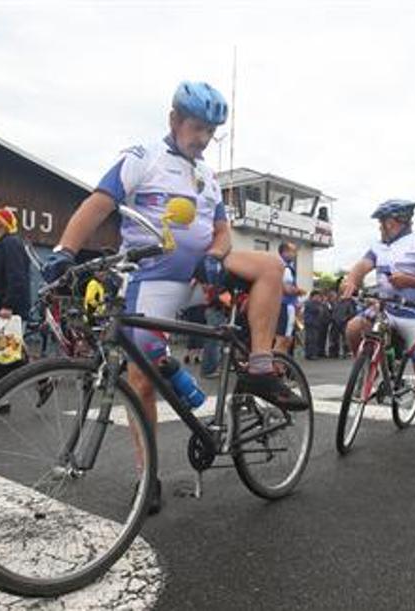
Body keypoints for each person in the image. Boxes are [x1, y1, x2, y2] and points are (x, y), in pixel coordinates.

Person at [40, 80, 308, 514]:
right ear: (174, 120)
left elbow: (221, 232)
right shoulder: (141, 158)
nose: (203, 138)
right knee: (141, 379)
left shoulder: (208, 177)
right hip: (153, 278)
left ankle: (260, 364)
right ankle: (149, 475)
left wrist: (217, 254)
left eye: (210, 131)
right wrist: (65, 251)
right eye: (197, 128)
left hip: (201, 273)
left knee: (271, 267)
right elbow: (98, 205)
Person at [341, 200, 415, 450]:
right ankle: (366, 370)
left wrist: (411, 280)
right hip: (385, 309)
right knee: (353, 328)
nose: (380, 226)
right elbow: (362, 266)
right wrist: (352, 280)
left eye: (383, 222)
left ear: (396, 222)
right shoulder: (378, 246)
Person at [0, 207, 32, 382]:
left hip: (10, 310)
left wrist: (8, 305)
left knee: (3, 354)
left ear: (0, 223)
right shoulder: (2, 244)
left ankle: (3, 395)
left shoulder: (10, 243)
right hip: (2, 309)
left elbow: (17, 277)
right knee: (2, 352)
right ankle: (42, 381)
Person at [273, 242, 305, 355]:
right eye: (293, 251)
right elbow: (286, 289)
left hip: (280, 305)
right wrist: (299, 291)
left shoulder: (277, 266)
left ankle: (278, 362)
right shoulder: (285, 268)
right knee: (284, 339)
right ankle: (277, 363)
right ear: (284, 252)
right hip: (286, 305)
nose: (295, 254)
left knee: (284, 338)